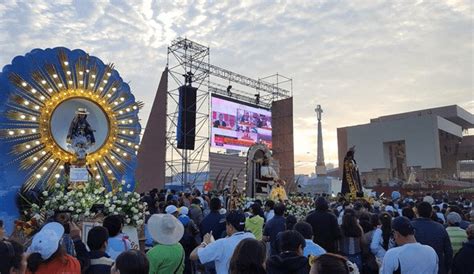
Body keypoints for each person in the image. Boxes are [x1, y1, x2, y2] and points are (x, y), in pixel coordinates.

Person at [190, 211, 255, 274]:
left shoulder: (221, 244)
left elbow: (192, 255)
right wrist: (214, 244)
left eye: (226, 224)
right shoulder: (251, 237)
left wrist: (204, 242)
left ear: (230, 227)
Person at [412, 201, 452, 274]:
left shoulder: (410, 227)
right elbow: (448, 251)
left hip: (415, 268)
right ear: (431, 213)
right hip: (437, 268)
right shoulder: (440, 228)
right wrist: (447, 268)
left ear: (417, 212)